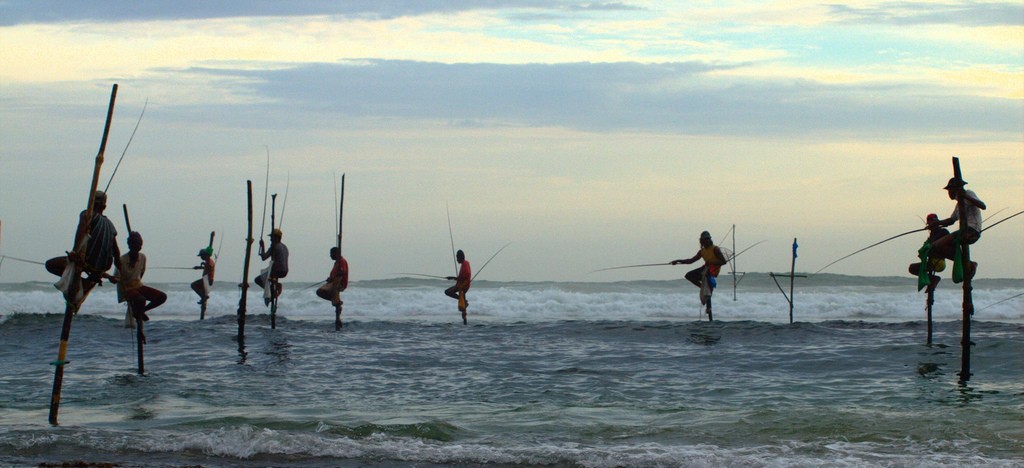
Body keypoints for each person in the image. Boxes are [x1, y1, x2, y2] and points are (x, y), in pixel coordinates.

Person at [45, 190, 120, 297]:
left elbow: (81, 231)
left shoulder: (87, 214)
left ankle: (83, 283)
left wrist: (74, 252)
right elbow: (116, 252)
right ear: (104, 207)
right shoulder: (111, 225)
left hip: (88, 261)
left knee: (51, 265)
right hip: (103, 266)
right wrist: (119, 271)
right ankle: (87, 281)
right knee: (84, 272)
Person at [929, 177, 985, 277]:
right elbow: (951, 220)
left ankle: (970, 264)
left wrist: (966, 197)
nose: (949, 193)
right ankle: (968, 263)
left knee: (937, 245)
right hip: (963, 231)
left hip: (972, 230)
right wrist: (936, 223)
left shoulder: (968, 193)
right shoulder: (958, 205)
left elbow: (983, 205)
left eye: (950, 190)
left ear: (956, 189)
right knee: (940, 248)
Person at [112, 231, 166, 329]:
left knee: (162, 297)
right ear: (129, 246)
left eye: (139, 245)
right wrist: (111, 278)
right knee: (141, 299)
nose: (136, 249)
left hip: (138, 286)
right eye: (134, 245)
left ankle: (141, 311)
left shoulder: (142, 257)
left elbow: (141, 274)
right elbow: (116, 278)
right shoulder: (122, 260)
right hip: (126, 289)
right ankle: (139, 312)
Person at [670, 231, 729, 314]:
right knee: (688, 275)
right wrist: (678, 261)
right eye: (705, 239)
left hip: (713, 270)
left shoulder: (715, 249)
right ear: (701, 241)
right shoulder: (702, 251)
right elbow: (691, 261)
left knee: (707, 280)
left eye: (708, 239)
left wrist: (712, 263)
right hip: (705, 268)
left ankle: (709, 308)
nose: (707, 241)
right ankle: (702, 287)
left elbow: (724, 262)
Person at [908, 213, 950, 292]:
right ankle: (932, 280)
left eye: (931, 223)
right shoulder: (933, 234)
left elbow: (934, 243)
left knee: (913, 268)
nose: (929, 225)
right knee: (912, 268)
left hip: (939, 262)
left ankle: (934, 279)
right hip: (932, 262)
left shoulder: (943, 231)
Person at [255, 228, 289, 306]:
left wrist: (262, 246)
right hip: (284, 271)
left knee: (257, 280)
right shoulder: (284, 247)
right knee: (271, 284)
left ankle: (273, 290)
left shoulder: (274, 246)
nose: (270, 239)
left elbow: (264, 257)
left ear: (276, 238)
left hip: (276, 270)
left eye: (272, 237)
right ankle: (274, 290)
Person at [445, 249, 471, 318]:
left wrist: (461, 286)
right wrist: (452, 277)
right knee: (463, 305)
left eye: (457, 258)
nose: (457, 259)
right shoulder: (465, 263)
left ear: (460, 257)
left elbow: (467, 275)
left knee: (447, 292)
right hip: (462, 285)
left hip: (463, 286)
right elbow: (461, 277)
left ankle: (463, 301)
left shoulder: (465, 264)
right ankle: (464, 319)